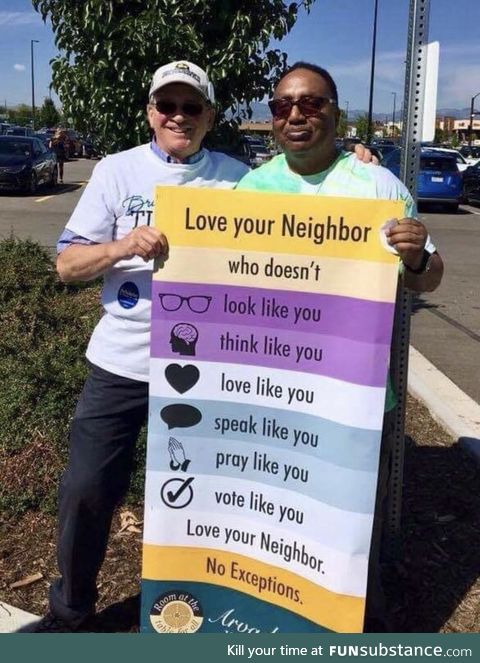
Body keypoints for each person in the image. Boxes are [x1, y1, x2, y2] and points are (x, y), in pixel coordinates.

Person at [33, 60, 376, 633]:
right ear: (150, 112)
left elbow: (303, 216)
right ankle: (69, 612)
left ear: (209, 116)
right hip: (121, 365)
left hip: (211, 370)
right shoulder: (116, 172)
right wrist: (121, 247)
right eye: (167, 105)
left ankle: (203, 615)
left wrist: (353, 159)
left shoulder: (238, 178)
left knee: (214, 501)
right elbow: (67, 266)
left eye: (192, 107)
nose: (178, 117)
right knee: (87, 490)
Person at [235, 61, 444, 631]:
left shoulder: (378, 187)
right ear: (273, 118)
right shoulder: (251, 190)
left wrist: (419, 256)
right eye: (283, 106)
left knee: (350, 544)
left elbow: (428, 279)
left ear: (335, 111)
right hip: (269, 397)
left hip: (355, 405)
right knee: (273, 531)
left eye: (312, 103)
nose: (296, 115)